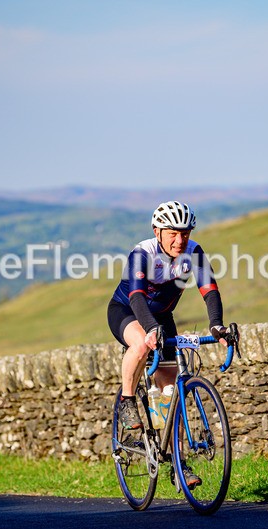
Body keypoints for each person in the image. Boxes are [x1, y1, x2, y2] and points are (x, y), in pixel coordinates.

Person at [108, 200, 229, 486]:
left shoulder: (193, 252)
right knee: (139, 345)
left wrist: (217, 326)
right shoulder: (143, 253)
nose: (179, 239)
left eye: (184, 233)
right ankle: (127, 400)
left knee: (170, 392)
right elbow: (137, 297)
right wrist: (150, 329)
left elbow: (209, 290)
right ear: (157, 231)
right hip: (126, 311)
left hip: (163, 317)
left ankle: (177, 463)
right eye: (172, 233)